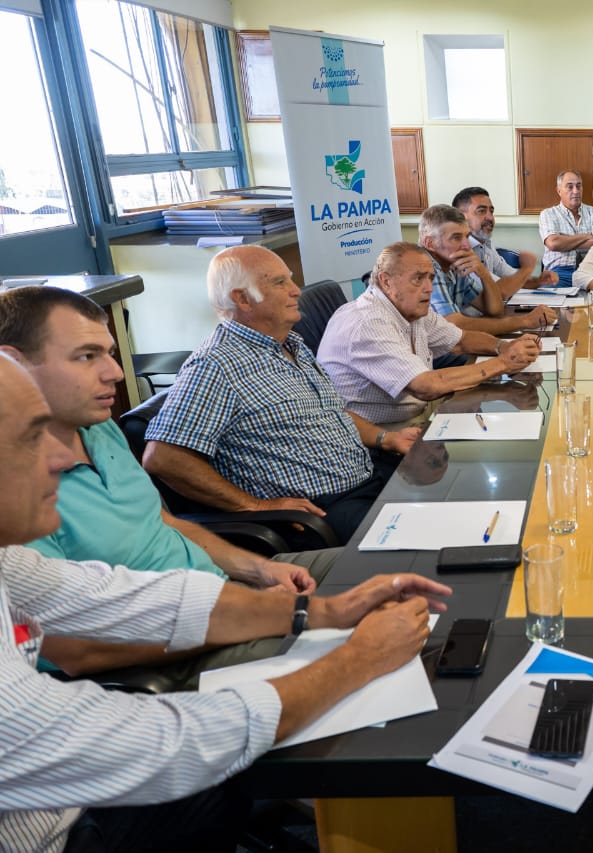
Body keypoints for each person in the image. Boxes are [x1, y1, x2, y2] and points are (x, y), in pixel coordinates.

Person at [0, 348, 451, 852]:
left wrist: (318, 611)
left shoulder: (8, 563)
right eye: (26, 440)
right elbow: (164, 743)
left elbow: (139, 599)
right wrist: (355, 659)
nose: (61, 459)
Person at [0, 286, 344, 684]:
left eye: (109, 353)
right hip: (169, 653)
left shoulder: (98, 426)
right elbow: (76, 650)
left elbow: (163, 522)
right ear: (13, 364)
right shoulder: (16, 492)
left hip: (217, 592)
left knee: (398, 570)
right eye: (86, 356)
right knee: (375, 646)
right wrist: (250, 615)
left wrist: (259, 569)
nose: (114, 371)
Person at [143, 246, 421, 544]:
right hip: (323, 511)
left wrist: (385, 438)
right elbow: (162, 457)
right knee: (428, 540)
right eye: (280, 283)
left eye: (290, 280)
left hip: (369, 476)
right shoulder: (216, 364)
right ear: (242, 298)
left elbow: (332, 412)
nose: (296, 291)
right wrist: (255, 507)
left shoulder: (292, 345)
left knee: (454, 494)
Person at [318, 242, 541, 429]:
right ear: (386, 281)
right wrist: (503, 363)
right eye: (418, 278)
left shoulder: (408, 307)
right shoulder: (368, 322)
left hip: (419, 410)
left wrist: (503, 346)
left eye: (430, 278)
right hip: (386, 431)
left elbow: (461, 340)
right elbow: (425, 386)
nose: (429, 288)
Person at [418, 204, 558, 341]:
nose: (467, 245)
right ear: (429, 243)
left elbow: (494, 310)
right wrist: (525, 321)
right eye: (456, 238)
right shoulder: (426, 268)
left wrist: (483, 273)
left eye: (467, 236)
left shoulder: (454, 265)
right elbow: (453, 326)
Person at [452, 186, 557, 297]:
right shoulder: (459, 250)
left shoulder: (486, 243)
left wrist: (539, 281)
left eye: (491, 211)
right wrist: (527, 268)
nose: (490, 217)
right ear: (462, 217)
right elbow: (499, 291)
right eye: (481, 211)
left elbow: (511, 276)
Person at [539, 169, 593, 286]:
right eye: (570, 187)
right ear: (559, 190)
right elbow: (553, 244)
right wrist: (585, 236)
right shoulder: (548, 214)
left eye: (579, 186)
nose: (576, 191)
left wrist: (564, 241)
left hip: (590, 271)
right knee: (548, 298)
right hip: (559, 272)